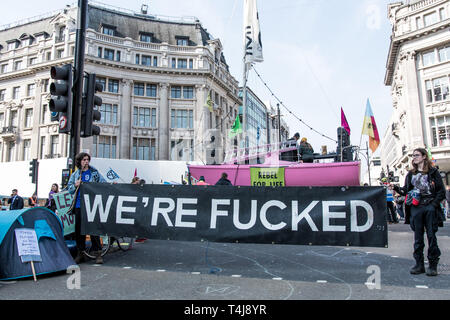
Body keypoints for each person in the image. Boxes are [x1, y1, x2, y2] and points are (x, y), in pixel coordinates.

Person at [393, 148, 445, 276]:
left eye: (416, 155)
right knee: (418, 237)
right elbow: (406, 191)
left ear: (423, 157)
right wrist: (395, 188)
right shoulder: (410, 174)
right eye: (413, 155)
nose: (414, 157)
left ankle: (433, 265)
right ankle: (419, 264)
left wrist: (433, 205)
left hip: (429, 207)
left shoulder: (433, 172)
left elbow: (441, 191)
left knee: (432, 236)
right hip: (416, 208)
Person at [67, 152, 107, 265]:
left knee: (93, 229)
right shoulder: (75, 174)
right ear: (79, 161)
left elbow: (103, 183)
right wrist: (75, 185)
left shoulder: (94, 173)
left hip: (92, 205)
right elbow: (69, 189)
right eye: (84, 160)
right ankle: (81, 253)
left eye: (87, 160)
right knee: (80, 231)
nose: (86, 162)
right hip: (79, 205)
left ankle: (98, 253)